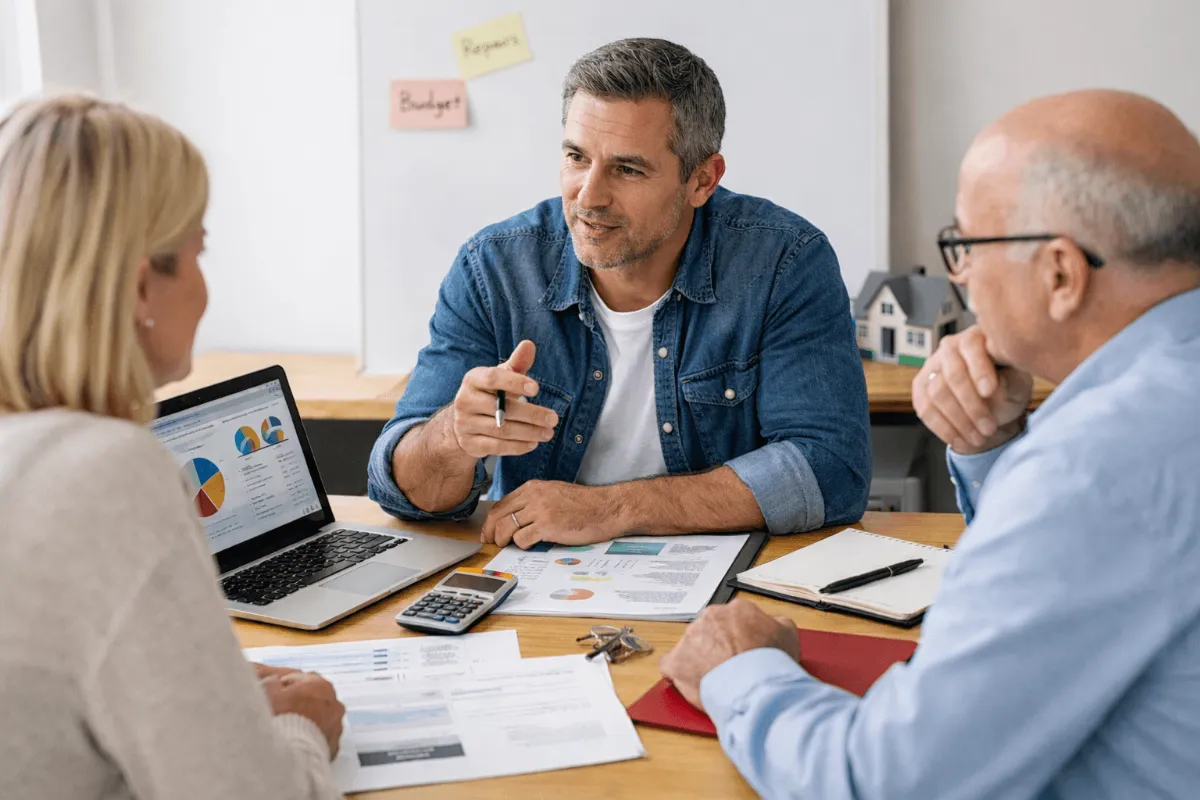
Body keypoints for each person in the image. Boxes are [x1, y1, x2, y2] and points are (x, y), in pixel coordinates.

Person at [659, 89, 1200, 799]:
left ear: (1060, 274)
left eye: (965, 246)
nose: (958, 277)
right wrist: (996, 448)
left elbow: (885, 784)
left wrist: (739, 670)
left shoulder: (1093, 465)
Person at [367, 38, 871, 548]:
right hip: (533, 576)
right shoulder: (494, 268)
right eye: (576, 157)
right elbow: (401, 492)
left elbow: (831, 469)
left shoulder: (784, 262)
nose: (589, 196)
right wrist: (452, 437)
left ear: (702, 180)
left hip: (723, 581)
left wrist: (613, 509)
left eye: (628, 170)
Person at [0, 96, 344, 798]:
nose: (206, 285)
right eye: (197, 252)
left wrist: (203, 700)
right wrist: (302, 726)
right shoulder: (103, 475)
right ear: (139, 286)